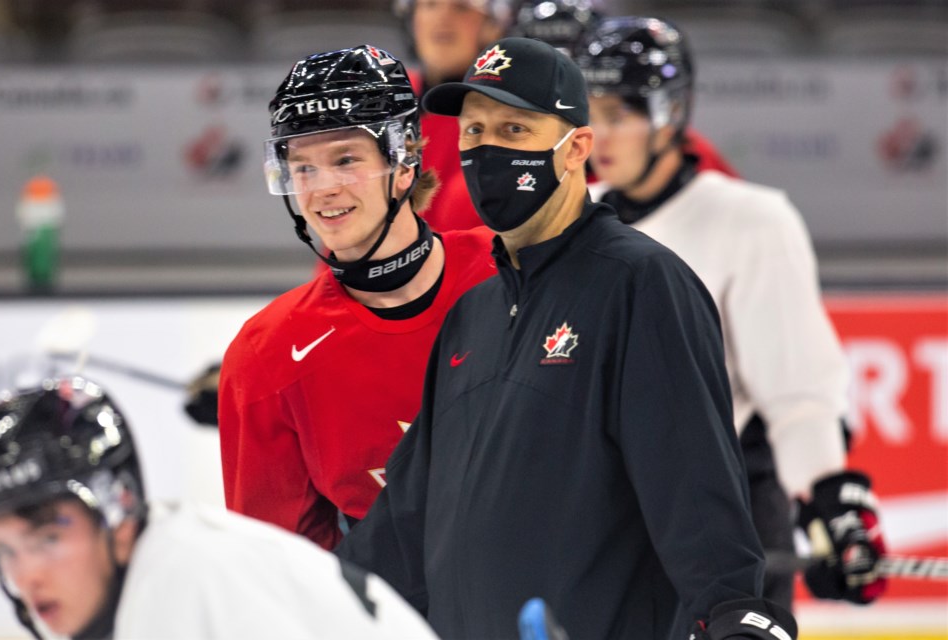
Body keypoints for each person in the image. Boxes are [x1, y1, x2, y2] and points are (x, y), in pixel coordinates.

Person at [337, 36, 797, 640]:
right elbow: (405, 525)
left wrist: (738, 611)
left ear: (577, 146)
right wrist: (309, 593)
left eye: (514, 130)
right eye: (473, 133)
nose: (485, 150)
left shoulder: (640, 285)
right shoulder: (470, 314)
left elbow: (694, 489)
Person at [574, 16, 888, 609]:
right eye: (591, 115)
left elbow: (796, 391)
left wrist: (830, 503)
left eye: (620, 114)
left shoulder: (751, 221)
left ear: (669, 114)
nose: (601, 136)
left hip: (720, 513)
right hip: (604, 518)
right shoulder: (574, 218)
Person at [217, 45, 496, 550]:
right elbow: (280, 571)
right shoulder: (267, 353)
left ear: (405, 160)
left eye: (345, 160)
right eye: (302, 168)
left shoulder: (510, 271)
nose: (322, 189)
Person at [0, 375, 438, 640]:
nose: (27, 576)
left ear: (119, 510)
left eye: (48, 539)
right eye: (4, 551)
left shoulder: (191, 582)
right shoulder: (151, 574)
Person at [510, 0, 741, 179]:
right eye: (538, 74)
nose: (552, 90)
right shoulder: (508, 149)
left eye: (566, 71)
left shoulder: (682, 151)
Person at [393, 0, 514, 232]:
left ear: (493, 26)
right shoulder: (384, 103)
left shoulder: (517, 118)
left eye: (461, 7)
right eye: (430, 5)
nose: (443, 18)